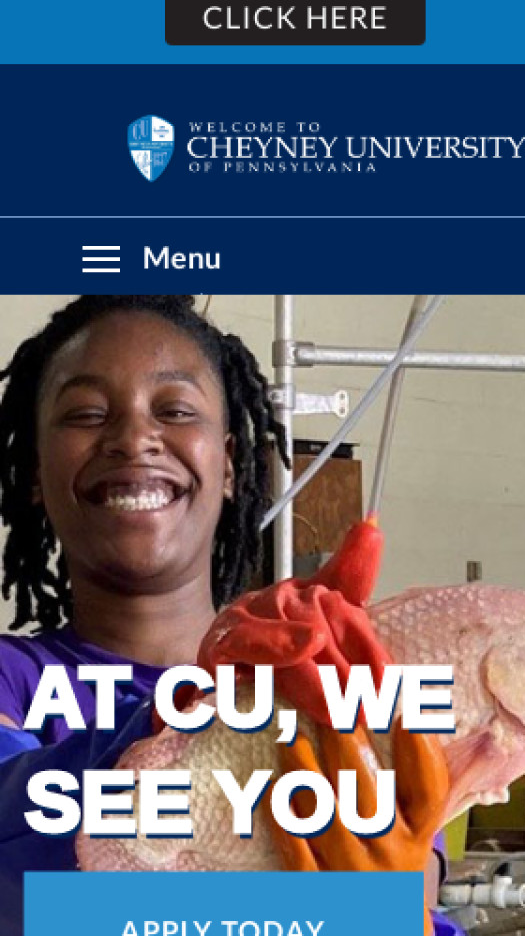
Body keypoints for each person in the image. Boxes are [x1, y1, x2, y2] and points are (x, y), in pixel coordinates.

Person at [0, 295, 452, 936]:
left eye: (175, 411)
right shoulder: (12, 679)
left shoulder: (331, 678)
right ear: (34, 473)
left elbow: (414, 884)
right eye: (87, 414)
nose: (133, 438)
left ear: (231, 464)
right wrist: (188, 717)